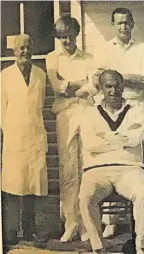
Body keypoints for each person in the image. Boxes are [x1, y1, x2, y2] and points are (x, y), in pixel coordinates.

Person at [91, 7, 144, 237]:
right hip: (112, 108)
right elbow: (97, 78)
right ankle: (111, 221)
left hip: (137, 107)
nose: (123, 27)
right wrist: (128, 77)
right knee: (113, 156)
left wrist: (116, 75)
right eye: (119, 23)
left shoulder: (143, 48)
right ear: (113, 25)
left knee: (141, 160)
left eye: (127, 22)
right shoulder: (106, 48)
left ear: (133, 23)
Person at [78, 69, 144, 254]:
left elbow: (136, 138)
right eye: (108, 86)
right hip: (96, 170)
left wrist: (105, 137)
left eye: (117, 85)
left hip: (130, 168)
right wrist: (120, 140)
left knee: (143, 193)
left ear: (123, 86)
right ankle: (98, 248)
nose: (113, 90)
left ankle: (141, 247)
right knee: (85, 197)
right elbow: (90, 144)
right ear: (101, 89)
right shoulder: (89, 112)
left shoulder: (138, 108)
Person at [46, 15, 96, 242]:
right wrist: (78, 85)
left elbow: (93, 86)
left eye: (70, 35)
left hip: (86, 111)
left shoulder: (89, 58)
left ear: (76, 34)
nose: (67, 40)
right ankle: (71, 223)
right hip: (65, 114)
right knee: (68, 169)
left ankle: (87, 224)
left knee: (87, 167)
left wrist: (72, 86)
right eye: (62, 37)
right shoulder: (52, 59)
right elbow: (58, 86)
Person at [1, 34, 48, 245]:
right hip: (14, 138)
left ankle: (29, 232)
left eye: (28, 47)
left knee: (32, 186)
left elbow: (40, 105)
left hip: (35, 136)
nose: (25, 51)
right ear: (13, 50)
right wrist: (10, 130)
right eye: (20, 48)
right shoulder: (5, 76)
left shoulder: (40, 74)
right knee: (12, 186)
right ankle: (10, 233)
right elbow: (1, 109)